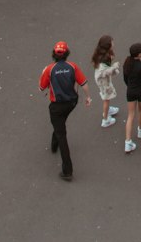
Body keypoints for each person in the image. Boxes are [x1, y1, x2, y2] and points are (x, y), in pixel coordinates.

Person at [39, 40, 91, 181]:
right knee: (60, 124)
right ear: (67, 53)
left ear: (54, 54)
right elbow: (84, 83)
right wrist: (88, 97)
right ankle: (54, 142)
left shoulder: (50, 69)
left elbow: (41, 88)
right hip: (71, 103)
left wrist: (44, 73)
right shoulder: (72, 67)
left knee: (61, 133)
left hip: (57, 106)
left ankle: (67, 171)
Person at [122, 43, 141, 152]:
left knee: (130, 114)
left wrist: (130, 86)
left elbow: (125, 78)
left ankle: (127, 141)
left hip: (130, 91)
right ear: (139, 54)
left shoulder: (127, 63)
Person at [91, 34, 120, 128]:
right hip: (103, 81)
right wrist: (114, 67)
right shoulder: (104, 58)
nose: (113, 43)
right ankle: (105, 119)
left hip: (102, 80)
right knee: (106, 98)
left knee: (106, 97)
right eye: (112, 42)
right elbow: (104, 72)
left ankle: (107, 111)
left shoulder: (100, 54)